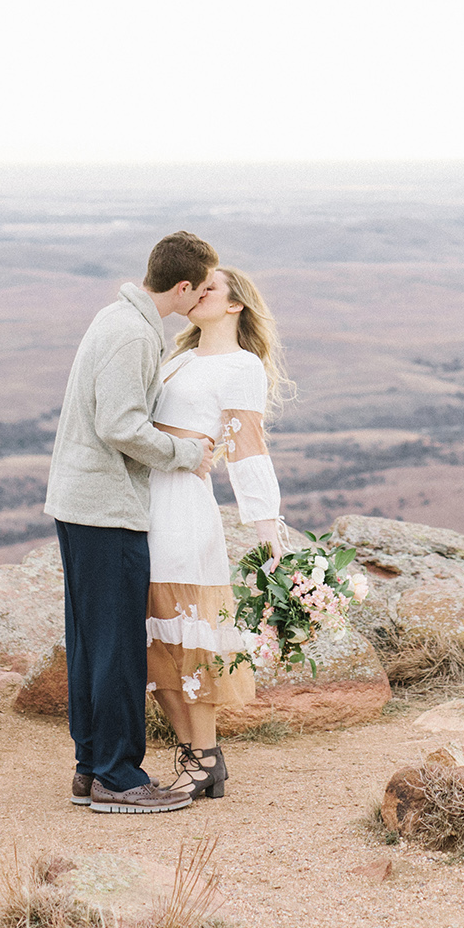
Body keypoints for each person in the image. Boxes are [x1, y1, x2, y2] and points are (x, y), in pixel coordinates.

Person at [43, 231, 220, 815]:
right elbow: (121, 426)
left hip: (83, 505)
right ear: (185, 287)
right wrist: (187, 455)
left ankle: (91, 768)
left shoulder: (115, 318)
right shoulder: (135, 334)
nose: (203, 303)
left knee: (93, 643)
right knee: (117, 647)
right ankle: (119, 777)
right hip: (107, 508)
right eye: (202, 290)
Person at [145, 265, 292, 799]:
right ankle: (197, 756)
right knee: (153, 638)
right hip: (145, 503)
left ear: (235, 306)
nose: (197, 292)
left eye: (210, 288)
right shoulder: (179, 358)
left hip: (184, 507)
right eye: (194, 286)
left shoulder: (241, 366)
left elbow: (248, 452)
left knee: (190, 636)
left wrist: (267, 534)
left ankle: (203, 754)